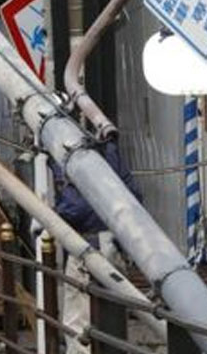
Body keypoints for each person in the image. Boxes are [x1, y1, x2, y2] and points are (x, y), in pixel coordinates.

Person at [51, 139, 141, 354]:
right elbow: (134, 194)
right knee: (113, 308)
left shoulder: (73, 157)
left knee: (78, 313)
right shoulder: (111, 152)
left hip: (87, 243)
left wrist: (57, 207)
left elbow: (76, 209)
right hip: (115, 239)